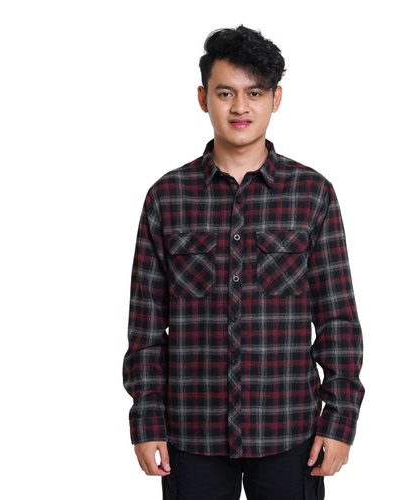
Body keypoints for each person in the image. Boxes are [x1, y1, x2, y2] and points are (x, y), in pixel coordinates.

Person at [123, 25, 364, 500]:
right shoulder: (166, 198)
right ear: (202, 98)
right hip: (190, 436)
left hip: (290, 434)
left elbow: (337, 319)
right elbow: (145, 326)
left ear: (276, 99)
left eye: (254, 93)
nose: (239, 107)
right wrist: (146, 420)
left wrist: (340, 420)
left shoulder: (312, 194)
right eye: (225, 93)